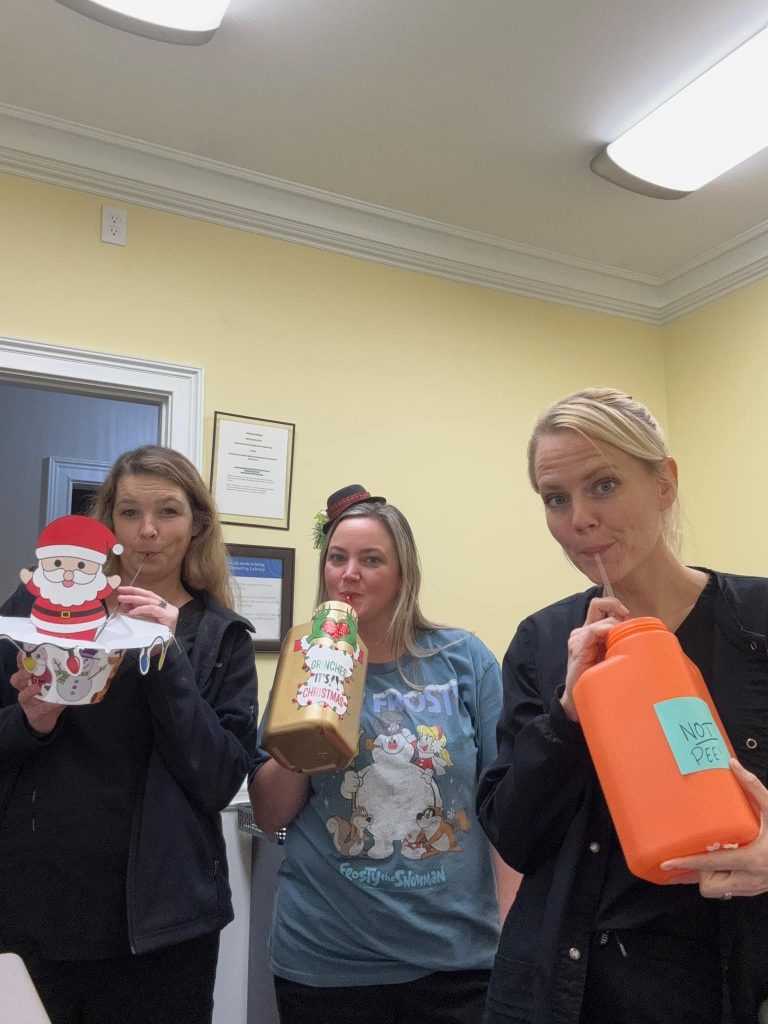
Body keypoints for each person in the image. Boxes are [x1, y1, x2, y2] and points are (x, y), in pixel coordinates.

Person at [476, 388, 768, 1024]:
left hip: (719, 987)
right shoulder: (544, 642)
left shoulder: (758, 624)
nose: (578, 519)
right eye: (556, 498)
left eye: (603, 485)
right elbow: (516, 836)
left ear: (664, 483)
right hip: (563, 992)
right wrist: (567, 715)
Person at [0, 445, 258, 1024]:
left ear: (197, 524)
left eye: (168, 511)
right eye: (129, 512)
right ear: (109, 525)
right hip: (37, 907)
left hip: (166, 926)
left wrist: (165, 657)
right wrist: (30, 722)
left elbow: (219, 778)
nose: (148, 531)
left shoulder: (220, 639)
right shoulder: (41, 607)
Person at [249, 484, 519, 1024]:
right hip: (328, 960)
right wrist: (310, 722)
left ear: (402, 574)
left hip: (455, 958)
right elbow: (269, 813)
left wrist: (514, 933)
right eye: (337, 559)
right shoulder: (304, 662)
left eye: (371, 560)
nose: (350, 574)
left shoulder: (463, 659)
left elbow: (505, 807)